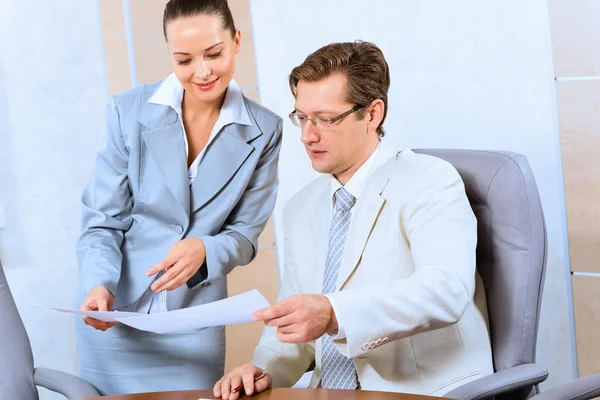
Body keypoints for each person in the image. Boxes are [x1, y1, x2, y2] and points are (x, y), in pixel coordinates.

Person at [214, 41, 493, 399]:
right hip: (330, 393)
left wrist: (334, 313)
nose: (307, 135)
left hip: (420, 391)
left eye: (326, 119)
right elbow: (296, 321)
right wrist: (264, 370)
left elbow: (446, 291)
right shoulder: (300, 209)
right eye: (302, 117)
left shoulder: (430, 180)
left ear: (373, 114)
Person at [74, 0, 282, 395]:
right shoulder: (126, 112)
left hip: (192, 325)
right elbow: (103, 221)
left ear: (236, 41)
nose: (201, 72)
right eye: (184, 60)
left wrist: (206, 248)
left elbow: (244, 235)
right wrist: (98, 284)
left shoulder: (265, 130)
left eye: (214, 54)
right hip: (113, 319)